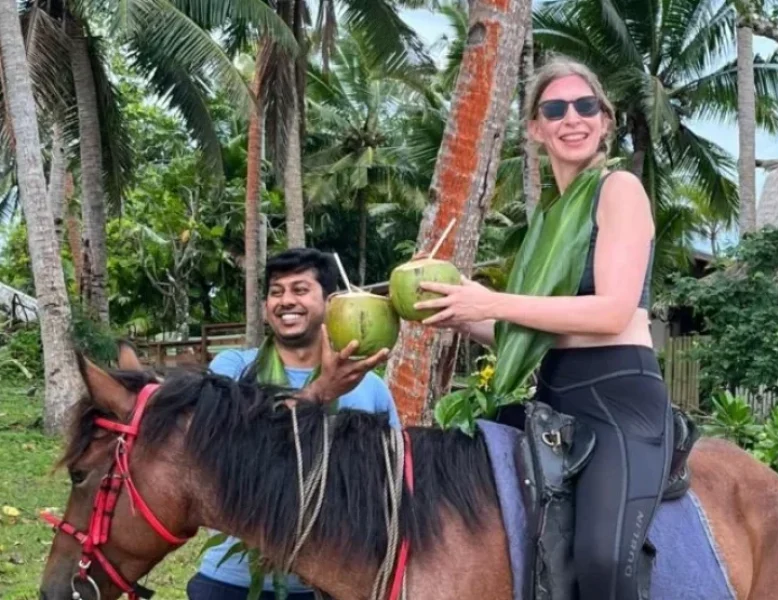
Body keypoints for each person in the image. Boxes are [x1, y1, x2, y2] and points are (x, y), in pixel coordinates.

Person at [412, 57, 681, 599]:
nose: (572, 118)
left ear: (606, 120)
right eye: (554, 109)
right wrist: (464, 315)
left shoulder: (618, 189)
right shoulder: (546, 222)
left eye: (586, 106)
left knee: (601, 561)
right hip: (555, 395)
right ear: (535, 129)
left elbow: (610, 312)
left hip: (617, 401)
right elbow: (536, 334)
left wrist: (494, 300)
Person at [187, 247, 398, 600]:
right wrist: (320, 392)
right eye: (276, 291)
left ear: (330, 303)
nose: (286, 301)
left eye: (300, 290)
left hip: (332, 585)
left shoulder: (372, 389)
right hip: (233, 583)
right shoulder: (233, 370)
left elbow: (388, 489)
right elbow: (218, 457)